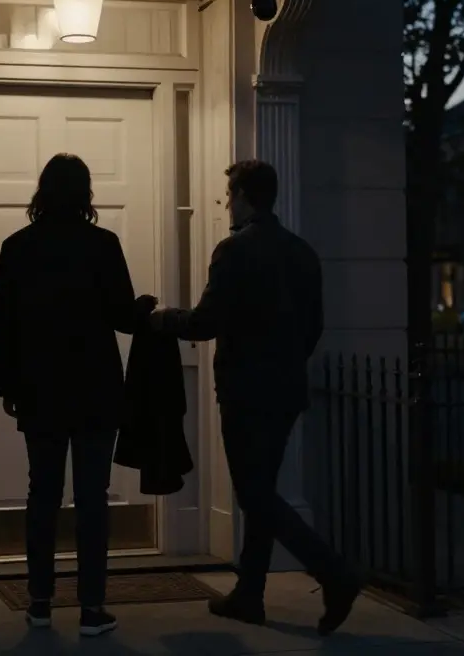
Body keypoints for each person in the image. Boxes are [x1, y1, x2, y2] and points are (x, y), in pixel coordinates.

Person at [150, 159, 363, 636]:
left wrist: (164, 319)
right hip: (286, 390)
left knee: (255, 495)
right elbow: (314, 328)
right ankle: (249, 594)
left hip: (245, 391)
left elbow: (205, 323)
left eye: (230, 194)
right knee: (260, 492)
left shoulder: (233, 251)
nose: (227, 202)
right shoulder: (302, 253)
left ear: (245, 195)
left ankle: (334, 572)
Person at [0, 153, 155, 638]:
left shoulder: (17, 247)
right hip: (94, 390)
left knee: (42, 495)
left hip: (40, 390)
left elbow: (4, 324)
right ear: (86, 193)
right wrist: (145, 307)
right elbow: (124, 316)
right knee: (91, 500)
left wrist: (9, 385)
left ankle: (39, 601)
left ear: (42, 192)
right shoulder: (102, 245)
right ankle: (91, 608)